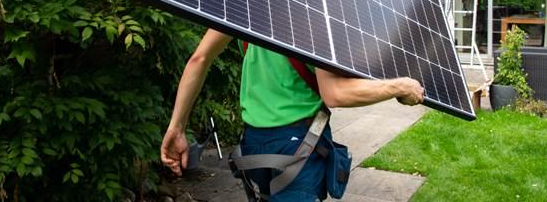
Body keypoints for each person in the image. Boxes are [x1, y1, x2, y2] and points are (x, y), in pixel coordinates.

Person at [160, 28, 425, 201]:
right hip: (297, 147)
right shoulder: (311, 14)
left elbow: (199, 59)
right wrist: (398, 86)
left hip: (253, 145)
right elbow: (335, 93)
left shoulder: (246, 2)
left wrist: (176, 128)